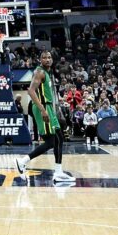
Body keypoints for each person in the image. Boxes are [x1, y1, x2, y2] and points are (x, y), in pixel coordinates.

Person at [15, 51, 75, 184]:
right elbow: (30, 91)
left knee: (59, 138)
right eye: (44, 58)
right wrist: (43, 110)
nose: (47, 59)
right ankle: (23, 161)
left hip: (49, 107)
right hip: (42, 107)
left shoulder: (48, 73)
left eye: (49, 57)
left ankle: (58, 172)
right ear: (40, 60)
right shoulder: (39, 72)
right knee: (51, 141)